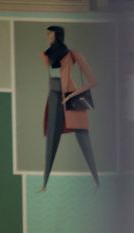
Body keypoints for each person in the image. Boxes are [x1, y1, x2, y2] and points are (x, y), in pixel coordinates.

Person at [40, 25, 99, 190]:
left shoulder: (71, 54)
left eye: (49, 34)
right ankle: (44, 184)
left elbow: (93, 80)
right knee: (51, 141)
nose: (47, 37)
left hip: (70, 99)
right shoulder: (48, 55)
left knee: (84, 140)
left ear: (57, 35)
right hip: (53, 98)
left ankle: (96, 181)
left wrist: (72, 95)